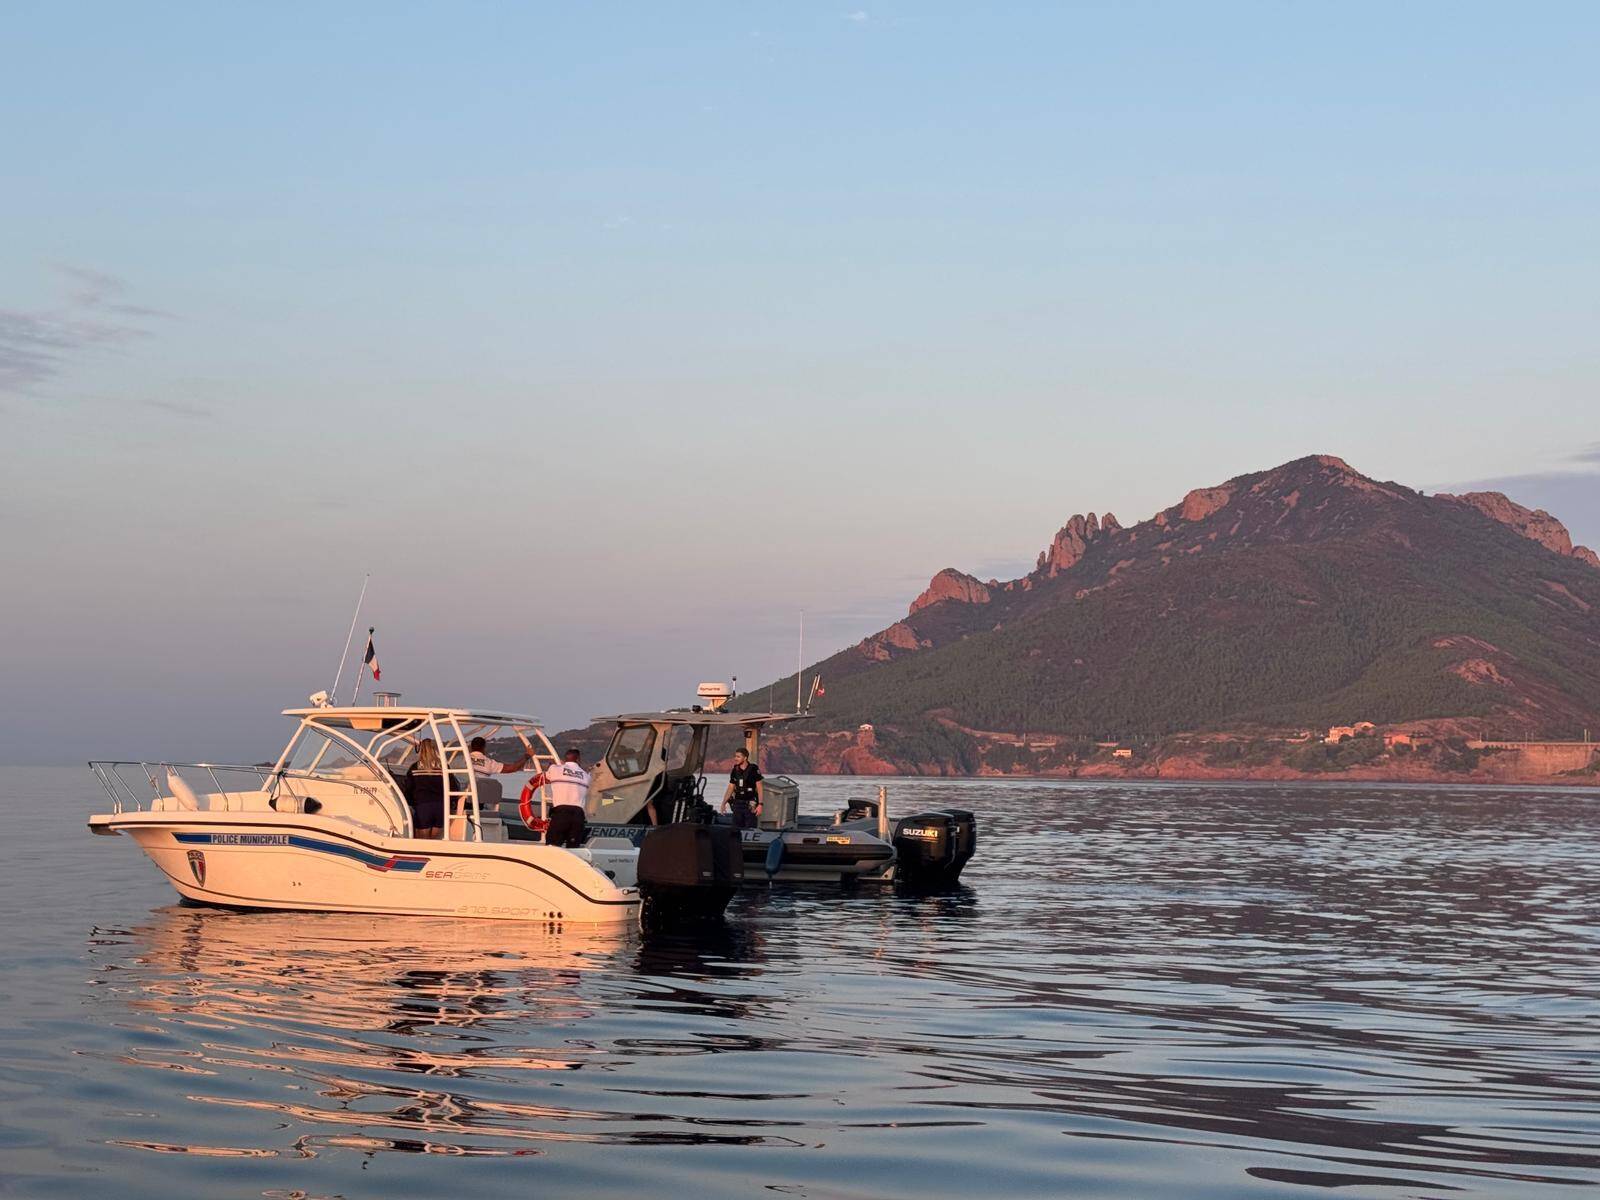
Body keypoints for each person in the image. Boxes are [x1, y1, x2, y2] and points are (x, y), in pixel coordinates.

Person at [538, 747, 591, 848]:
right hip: (578, 816)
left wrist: (554, 764)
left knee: (552, 847)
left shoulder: (554, 769)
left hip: (561, 814)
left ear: (565, 759)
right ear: (578, 759)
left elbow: (548, 775)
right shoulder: (586, 776)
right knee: (574, 849)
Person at [405, 738, 445, 839]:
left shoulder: (414, 768)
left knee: (421, 843)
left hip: (423, 807)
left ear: (421, 749)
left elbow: (408, 789)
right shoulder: (444, 767)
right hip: (440, 807)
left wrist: (411, 803)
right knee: (434, 844)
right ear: (435, 749)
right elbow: (453, 787)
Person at [722, 747, 764, 829]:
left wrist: (760, 804)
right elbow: (730, 787)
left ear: (745, 758)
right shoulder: (735, 770)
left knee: (750, 828)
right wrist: (724, 803)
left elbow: (759, 788)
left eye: (738, 757)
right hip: (737, 804)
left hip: (750, 804)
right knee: (735, 829)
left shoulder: (753, 769)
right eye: (735, 756)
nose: (735, 759)